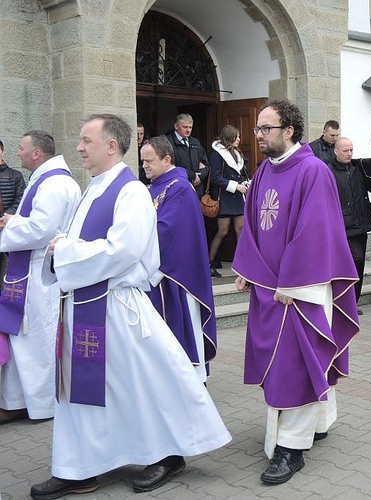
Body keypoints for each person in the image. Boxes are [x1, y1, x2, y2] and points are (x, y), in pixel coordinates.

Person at [31, 114, 230, 499]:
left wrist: (66, 250)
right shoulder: (93, 188)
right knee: (88, 390)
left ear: (110, 145)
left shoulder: (131, 191)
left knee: (148, 382)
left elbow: (124, 251)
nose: (78, 147)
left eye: (86, 140)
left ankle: (171, 451)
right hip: (85, 306)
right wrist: (63, 248)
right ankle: (79, 466)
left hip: (117, 309)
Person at [232, 100, 359, 485]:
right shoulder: (264, 172)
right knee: (286, 360)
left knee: (296, 363)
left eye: (265, 129)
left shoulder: (313, 171)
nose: (258, 136)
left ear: (288, 130)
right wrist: (247, 269)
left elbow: (315, 230)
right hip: (268, 287)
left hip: (298, 289)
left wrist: (294, 283)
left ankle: (291, 448)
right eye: (257, 129)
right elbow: (253, 224)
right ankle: (319, 420)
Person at [0, 131, 80, 425]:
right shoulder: (46, 179)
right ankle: (16, 401)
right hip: (30, 273)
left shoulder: (56, 183)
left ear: (37, 153)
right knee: (22, 339)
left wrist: (8, 225)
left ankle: (39, 404)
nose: (17, 153)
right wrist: (15, 222)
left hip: (39, 274)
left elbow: (42, 230)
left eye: (22, 148)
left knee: (36, 342)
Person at [142, 136, 218, 383]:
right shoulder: (153, 186)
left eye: (149, 161)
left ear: (166, 159)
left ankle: (191, 378)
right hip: (157, 270)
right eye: (142, 161)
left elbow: (167, 231)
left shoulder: (180, 188)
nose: (144, 166)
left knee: (181, 324)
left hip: (175, 275)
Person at [328, 137, 371, 308]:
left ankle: (353, 302)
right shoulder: (329, 172)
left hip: (361, 223)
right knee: (354, 259)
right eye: (345, 150)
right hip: (342, 226)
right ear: (336, 151)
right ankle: (344, 301)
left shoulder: (358, 169)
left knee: (360, 262)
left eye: (351, 150)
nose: (349, 154)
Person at [207, 125, 248, 278]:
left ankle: (242, 266)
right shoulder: (217, 153)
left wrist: (243, 184)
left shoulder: (237, 153)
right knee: (222, 231)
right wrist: (234, 186)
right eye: (236, 136)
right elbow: (215, 177)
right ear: (229, 137)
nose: (239, 139)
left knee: (241, 229)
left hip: (237, 197)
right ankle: (209, 263)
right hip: (224, 197)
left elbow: (240, 174)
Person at [165, 113, 210, 196]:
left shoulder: (195, 142)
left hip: (197, 190)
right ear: (176, 126)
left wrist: (199, 177)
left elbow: (206, 164)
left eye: (190, 127)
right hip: (178, 190)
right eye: (185, 127)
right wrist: (192, 176)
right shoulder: (168, 143)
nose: (188, 130)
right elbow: (170, 167)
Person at [0, 139, 26, 276]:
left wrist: (4, 219)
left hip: (7, 227)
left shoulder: (15, 176)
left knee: (8, 270)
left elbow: (20, 200)